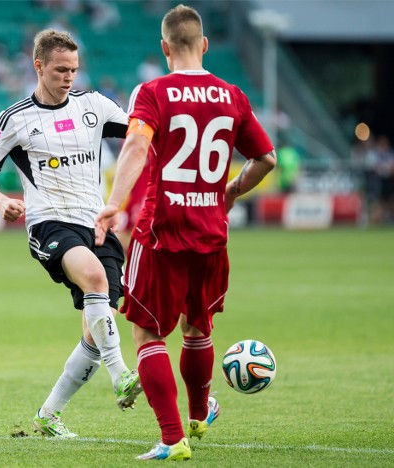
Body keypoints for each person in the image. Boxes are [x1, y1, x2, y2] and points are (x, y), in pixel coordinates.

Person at [95, 5, 276, 461]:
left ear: (164, 47)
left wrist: (115, 203)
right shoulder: (231, 95)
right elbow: (266, 159)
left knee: (146, 334)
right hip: (212, 230)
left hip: (162, 230)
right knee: (199, 328)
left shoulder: (154, 91)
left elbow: (137, 144)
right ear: (206, 45)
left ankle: (173, 438)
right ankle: (198, 417)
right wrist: (231, 190)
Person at [0, 29, 142, 438]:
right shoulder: (14, 120)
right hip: (48, 223)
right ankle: (122, 375)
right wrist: (0, 203)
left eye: (74, 70)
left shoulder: (95, 106)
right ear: (39, 66)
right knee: (96, 279)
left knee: (95, 331)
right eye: (61, 70)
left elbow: (140, 132)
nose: (69, 77)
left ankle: (49, 413)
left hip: (95, 224)